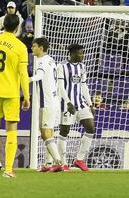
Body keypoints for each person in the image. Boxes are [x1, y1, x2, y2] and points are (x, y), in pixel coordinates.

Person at [0, 14, 30, 178]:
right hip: (11, 93)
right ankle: (9, 169)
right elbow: (23, 73)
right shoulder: (20, 47)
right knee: (11, 129)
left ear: (2, 24)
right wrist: (26, 96)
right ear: (18, 27)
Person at [56, 44, 96, 172]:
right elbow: (60, 87)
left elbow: (84, 86)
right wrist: (68, 102)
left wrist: (90, 104)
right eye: (80, 53)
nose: (82, 55)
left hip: (80, 103)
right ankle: (63, 163)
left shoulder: (82, 67)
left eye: (82, 53)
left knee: (90, 128)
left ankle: (79, 159)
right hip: (67, 104)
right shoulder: (61, 66)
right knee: (64, 132)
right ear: (72, 53)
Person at [29, 37, 63, 172]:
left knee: (45, 133)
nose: (32, 48)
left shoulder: (42, 61)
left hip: (47, 103)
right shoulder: (51, 60)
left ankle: (59, 162)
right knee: (50, 133)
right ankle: (48, 164)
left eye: (34, 46)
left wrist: (27, 79)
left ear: (41, 48)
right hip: (54, 102)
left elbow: (39, 76)